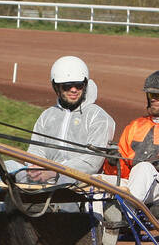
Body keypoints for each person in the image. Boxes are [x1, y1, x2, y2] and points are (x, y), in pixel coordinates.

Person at [26, 56, 115, 202]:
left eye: (79, 85)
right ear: (56, 87)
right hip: (46, 179)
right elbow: (35, 151)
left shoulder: (98, 116)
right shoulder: (47, 116)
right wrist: (34, 167)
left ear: (85, 85)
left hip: (82, 185)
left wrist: (55, 172)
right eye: (67, 85)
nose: (74, 90)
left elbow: (92, 162)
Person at [101, 70, 159, 245]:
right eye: (151, 94)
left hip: (156, 188)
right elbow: (124, 173)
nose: (154, 98)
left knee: (144, 168)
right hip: (138, 187)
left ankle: (124, 215)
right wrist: (112, 163)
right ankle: (92, 235)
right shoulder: (135, 126)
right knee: (96, 181)